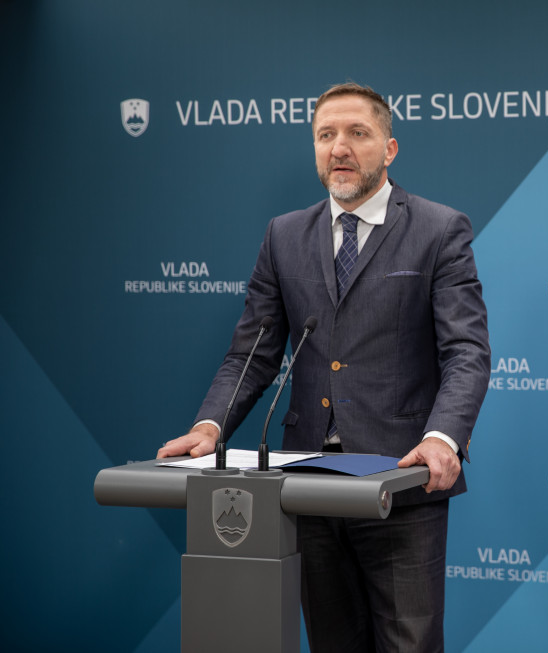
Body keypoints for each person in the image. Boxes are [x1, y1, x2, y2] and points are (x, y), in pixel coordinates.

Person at [156, 82, 491, 652]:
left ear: (389, 148)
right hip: (305, 488)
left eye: (357, 133)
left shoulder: (439, 230)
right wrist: (209, 428)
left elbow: (466, 350)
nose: (339, 147)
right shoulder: (283, 236)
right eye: (326, 135)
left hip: (399, 484)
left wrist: (443, 439)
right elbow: (253, 351)